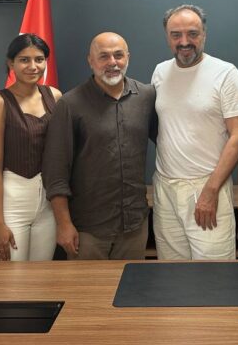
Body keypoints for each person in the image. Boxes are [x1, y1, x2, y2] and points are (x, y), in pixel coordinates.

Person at [43, 32, 156, 260]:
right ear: (91, 61)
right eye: (103, 56)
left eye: (118, 55)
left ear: (128, 57)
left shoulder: (146, 96)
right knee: (88, 285)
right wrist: (63, 224)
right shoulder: (70, 104)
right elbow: (55, 170)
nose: (112, 62)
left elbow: (169, 140)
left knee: (131, 283)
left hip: (134, 225)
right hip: (88, 230)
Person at [151, 4, 238, 260]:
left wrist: (210, 191)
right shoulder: (160, 72)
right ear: (167, 37)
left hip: (207, 189)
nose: (184, 42)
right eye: (176, 35)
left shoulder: (225, 73)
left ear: (204, 34)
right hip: (165, 190)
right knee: (171, 274)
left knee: (213, 277)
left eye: (192, 34)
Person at [0, 33, 61, 262]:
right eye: (24, 60)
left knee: (41, 276)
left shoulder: (55, 96)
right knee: (10, 278)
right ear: (11, 63)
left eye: (39, 59)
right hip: (11, 202)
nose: (33, 66)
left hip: (47, 203)